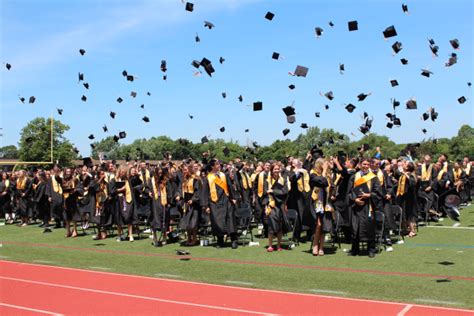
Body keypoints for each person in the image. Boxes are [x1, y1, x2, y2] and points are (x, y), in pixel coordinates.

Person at [348, 158, 383, 258]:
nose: (366, 166)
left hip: (369, 206)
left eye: (368, 164)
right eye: (364, 164)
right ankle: (355, 250)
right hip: (357, 206)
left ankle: (371, 250)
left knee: (369, 228)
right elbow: (349, 192)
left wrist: (369, 195)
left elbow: (378, 192)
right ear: (359, 165)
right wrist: (355, 200)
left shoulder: (373, 178)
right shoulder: (354, 176)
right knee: (355, 228)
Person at [201, 159, 238, 249]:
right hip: (215, 202)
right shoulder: (208, 178)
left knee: (230, 220)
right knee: (217, 222)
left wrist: (234, 198)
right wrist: (205, 206)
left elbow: (229, 186)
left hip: (226, 200)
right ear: (212, 166)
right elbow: (204, 192)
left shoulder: (224, 175)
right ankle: (220, 241)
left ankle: (234, 240)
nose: (219, 165)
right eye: (217, 164)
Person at [265, 163, 291, 252]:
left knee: (280, 225)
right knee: (271, 225)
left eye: (278, 169)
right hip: (271, 205)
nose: (276, 170)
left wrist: (273, 190)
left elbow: (285, 191)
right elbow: (265, 193)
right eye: (275, 169)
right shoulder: (267, 180)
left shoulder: (282, 180)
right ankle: (270, 245)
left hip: (280, 205)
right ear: (271, 170)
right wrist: (265, 205)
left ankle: (279, 245)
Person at [308, 158, 330, 256]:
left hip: (325, 202)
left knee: (324, 225)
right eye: (325, 164)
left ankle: (321, 247)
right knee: (318, 225)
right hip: (316, 202)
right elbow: (322, 182)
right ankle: (315, 245)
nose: (327, 166)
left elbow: (329, 184)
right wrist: (324, 171)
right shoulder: (312, 174)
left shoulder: (327, 174)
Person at [179, 163, 202, 246]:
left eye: (185, 170)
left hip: (194, 204)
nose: (184, 171)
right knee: (187, 222)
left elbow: (198, 192)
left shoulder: (196, 179)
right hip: (186, 203)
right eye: (183, 170)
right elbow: (182, 191)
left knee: (193, 223)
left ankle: (195, 239)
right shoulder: (185, 179)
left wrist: (193, 200)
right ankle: (189, 238)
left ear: (190, 170)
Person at [150, 167, 172, 246]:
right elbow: (145, 188)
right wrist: (148, 192)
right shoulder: (151, 180)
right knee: (155, 220)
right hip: (155, 202)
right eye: (158, 173)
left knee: (164, 219)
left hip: (164, 202)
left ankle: (164, 237)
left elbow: (170, 191)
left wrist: (169, 202)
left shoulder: (166, 180)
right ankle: (155, 238)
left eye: (161, 173)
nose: (160, 174)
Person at [396, 162, 418, 237]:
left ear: (408, 167)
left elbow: (413, 183)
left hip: (409, 198)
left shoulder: (411, 175)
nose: (403, 164)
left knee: (409, 214)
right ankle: (405, 230)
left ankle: (412, 230)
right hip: (402, 197)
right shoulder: (403, 174)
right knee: (403, 214)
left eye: (405, 164)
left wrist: (404, 173)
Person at [62, 168, 80, 237]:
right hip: (65, 199)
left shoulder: (75, 179)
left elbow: (79, 187)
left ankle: (75, 230)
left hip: (73, 199)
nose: (68, 173)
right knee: (67, 216)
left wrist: (75, 190)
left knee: (73, 215)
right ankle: (68, 231)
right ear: (65, 172)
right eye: (67, 171)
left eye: (69, 171)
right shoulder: (63, 180)